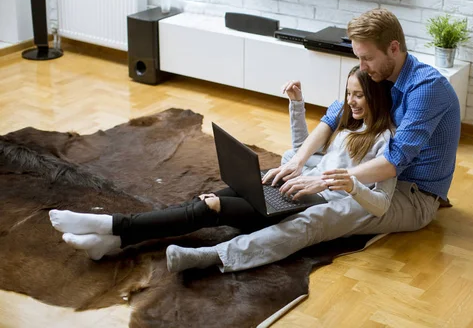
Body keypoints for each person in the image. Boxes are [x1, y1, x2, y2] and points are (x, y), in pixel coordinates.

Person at [162, 8, 461, 273]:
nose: (363, 65)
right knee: (291, 161)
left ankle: (216, 256)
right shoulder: (382, 75)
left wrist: (326, 182)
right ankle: (214, 211)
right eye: (359, 57)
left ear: (394, 48)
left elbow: (393, 162)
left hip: (410, 194)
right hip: (374, 170)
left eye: (367, 58)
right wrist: (299, 162)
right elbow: (333, 117)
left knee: (320, 218)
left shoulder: (426, 89)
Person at [48, 65, 396, 261]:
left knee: (210, 207)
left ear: (376, 96)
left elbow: (378, 201)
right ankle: (114, 241)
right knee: (211, 197)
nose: (351, 101)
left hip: (310, 203)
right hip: (294, 186)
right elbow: (302, 152)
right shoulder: (347, 124)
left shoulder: (385, 139)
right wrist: (296, 105)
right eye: (348, 93)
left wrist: (348, 183)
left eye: (359, 94)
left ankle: (111, 224)